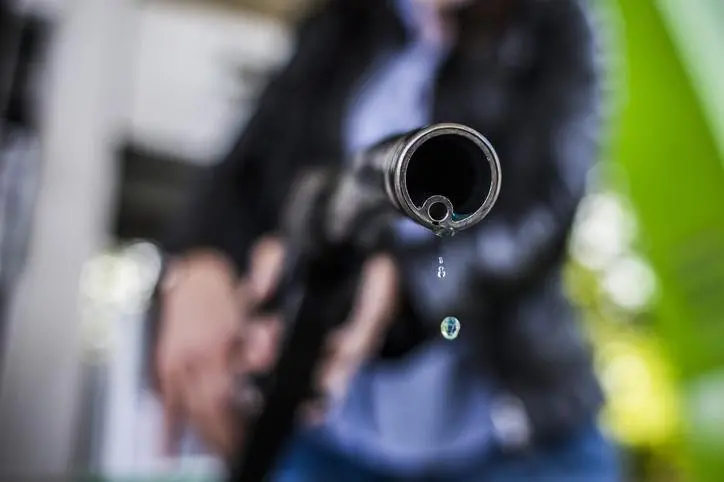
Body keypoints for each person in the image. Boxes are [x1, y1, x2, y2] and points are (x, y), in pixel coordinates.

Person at [153, 0, 619, 480]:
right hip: (329, 444)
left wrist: (407, 285)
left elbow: (540, 213)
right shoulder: (340, 24)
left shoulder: (558, 22)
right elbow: (242, 175)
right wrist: (198, 264)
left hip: (516, 443)